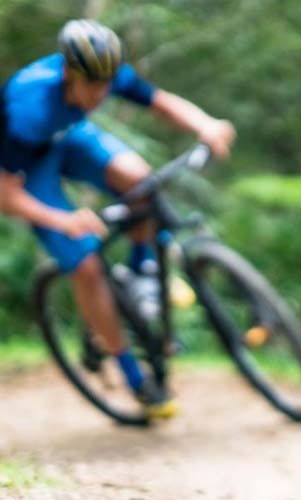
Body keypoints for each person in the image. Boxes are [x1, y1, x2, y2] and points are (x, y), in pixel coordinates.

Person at [0, 19, 236, 417]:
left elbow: (160, 102)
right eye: (91, 86)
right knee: (87, 265)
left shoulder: (105, 72)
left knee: (141, 182)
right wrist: (64, 221)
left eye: (106, 85)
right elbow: (5, 193)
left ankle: (142, 272)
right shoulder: (28, 107)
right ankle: (135, 379)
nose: (101, 94)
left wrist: (205, 125)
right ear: (68, 73)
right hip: (27, 170)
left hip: (68, 137)